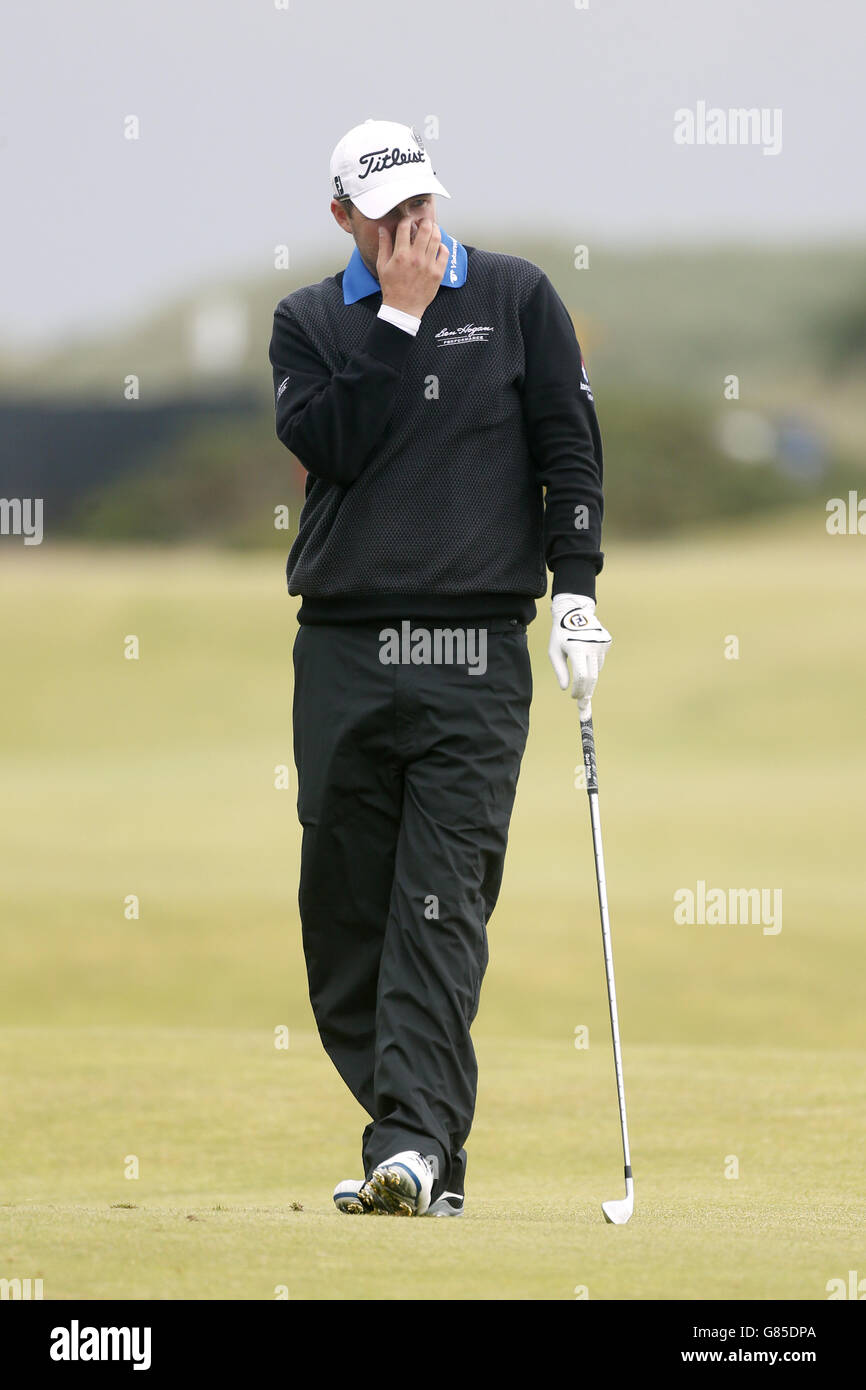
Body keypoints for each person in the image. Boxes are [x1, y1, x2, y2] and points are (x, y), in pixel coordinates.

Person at [268, 119, 611, 1217]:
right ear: (342, 220)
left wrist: (576, 591)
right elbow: (337, 445)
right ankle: (419, 1143)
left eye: (420, 205)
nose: (410, 229)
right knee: (343, 918)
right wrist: (401, 316)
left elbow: (567, 446)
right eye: (384, 216)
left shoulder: (516, 300)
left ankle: (408, 1143)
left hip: (472, 651)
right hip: (343, 647)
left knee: (438, 901)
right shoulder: (309, 323)